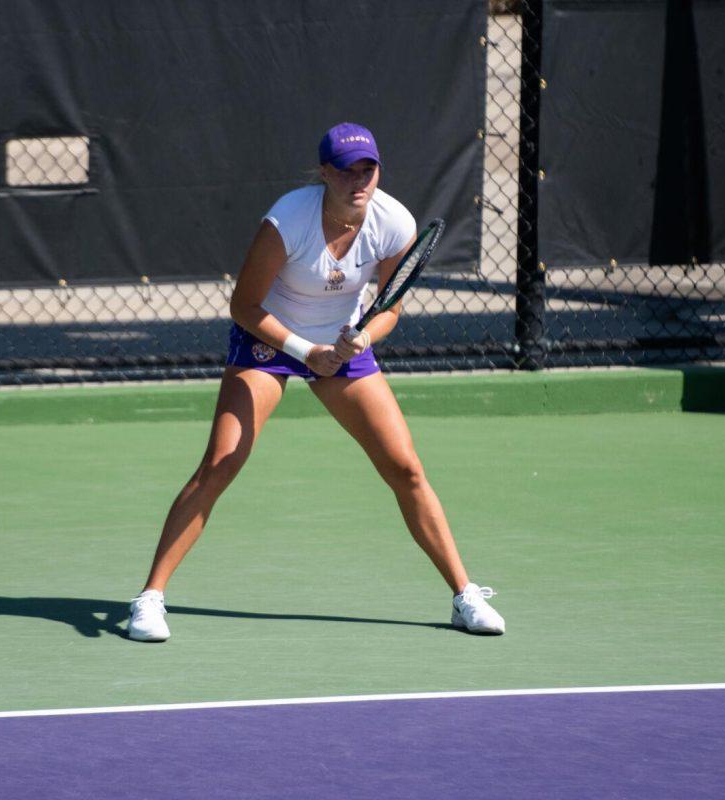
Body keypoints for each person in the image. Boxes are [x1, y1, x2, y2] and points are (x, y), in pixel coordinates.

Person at [127, 122, 505, 642]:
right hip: (271, 341)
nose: (359, 180)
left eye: (367, 168)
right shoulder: (288, 220)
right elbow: (243, 305)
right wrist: (308, 352)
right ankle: (149, 600)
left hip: (343, 343)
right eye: (346, 170)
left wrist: (363, 339)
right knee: (220, 462)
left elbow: (390, 305)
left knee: (406, 468)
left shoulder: (394, 222)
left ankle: (464, 595)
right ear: (325, 172)